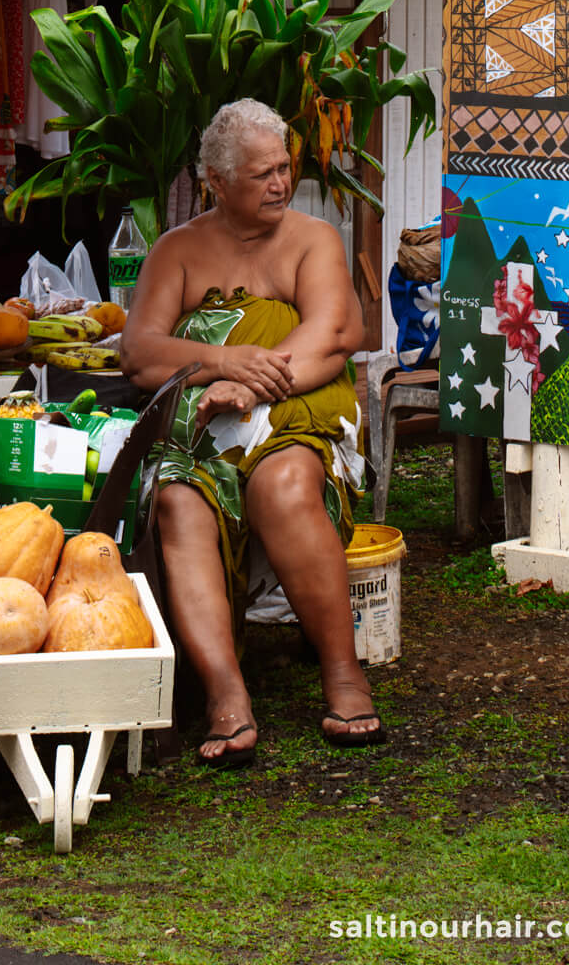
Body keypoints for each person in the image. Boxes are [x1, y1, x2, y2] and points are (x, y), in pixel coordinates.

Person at [121, 98, 379, 766]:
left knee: (286, 482)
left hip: (300, 417)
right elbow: (141, 353)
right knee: (178, 501)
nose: (280, 183)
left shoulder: (313, 238)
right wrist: (223, 364)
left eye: (285, 168)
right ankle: (226, 695)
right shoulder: (177, 252)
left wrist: (253, 388)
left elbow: (334, 334)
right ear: (215, 179)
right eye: (262, 173)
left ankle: (344, 675)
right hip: (201, 429)